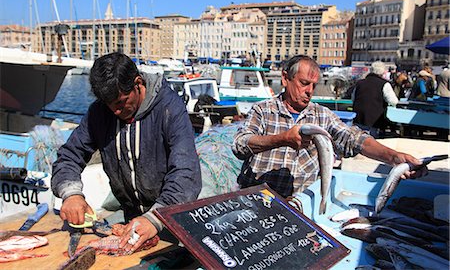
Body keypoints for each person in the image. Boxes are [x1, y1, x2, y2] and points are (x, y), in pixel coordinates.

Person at [51, 53, 201, 252]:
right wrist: (71, 193)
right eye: (109, 105)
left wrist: (155, 218)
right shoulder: (100, 112)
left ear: (138, 83)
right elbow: (70, 155)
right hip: (130, 217)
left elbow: (186, 172)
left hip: (170, 216)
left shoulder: (169, 108)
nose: (115, 112)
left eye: (121, 103)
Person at [232, 55, 427, 198]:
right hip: (256, 198)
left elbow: (353, 138)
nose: (309, 91)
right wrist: (282, 139)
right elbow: (240, 145)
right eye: (304, 83)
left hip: (298, 203)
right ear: (285, 78)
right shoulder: (262, 110)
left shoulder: (321, 115)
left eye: (313, 85)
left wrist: (394, 157)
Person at [352, 61, 399, 138]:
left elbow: (353, 98)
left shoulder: (359, 83)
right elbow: (394, 101)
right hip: (374, 120)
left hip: (358, 118)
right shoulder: (384, 84)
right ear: (383, 72)